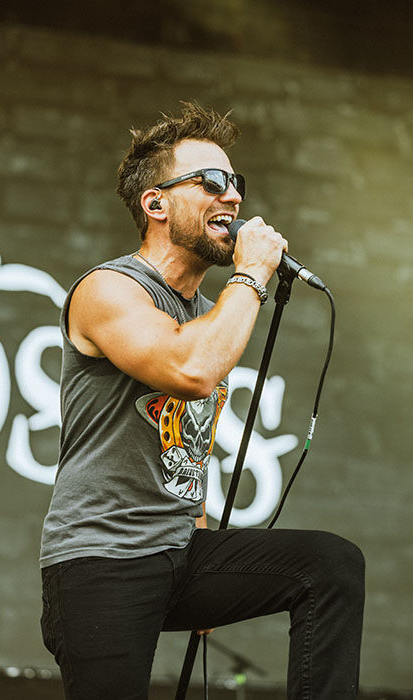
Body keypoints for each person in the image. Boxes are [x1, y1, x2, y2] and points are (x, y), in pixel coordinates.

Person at [39, 102, 365, 700]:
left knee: (330, 564)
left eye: (235, 182)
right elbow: (189, 371)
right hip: (102, 561)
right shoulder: (109, 289)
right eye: (211, 182)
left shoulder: (208, 314)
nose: (232, 196)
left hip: (179, 552)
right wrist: (252, 274)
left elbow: (189, 440)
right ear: (155, 204)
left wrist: (200, 532)